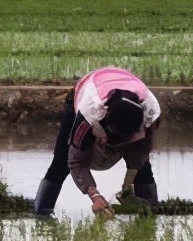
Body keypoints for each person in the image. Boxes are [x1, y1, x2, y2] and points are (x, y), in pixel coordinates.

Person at [34, 66, 162, 217]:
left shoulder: (151, 114)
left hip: (126, 87)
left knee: (143, 169)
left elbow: (139, 154)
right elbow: (76, 161)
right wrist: (95, 196)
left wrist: (128, 189)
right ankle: (41, 214)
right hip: (90, 87)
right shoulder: (89, 113)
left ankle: (149, 213)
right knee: (61, 161)